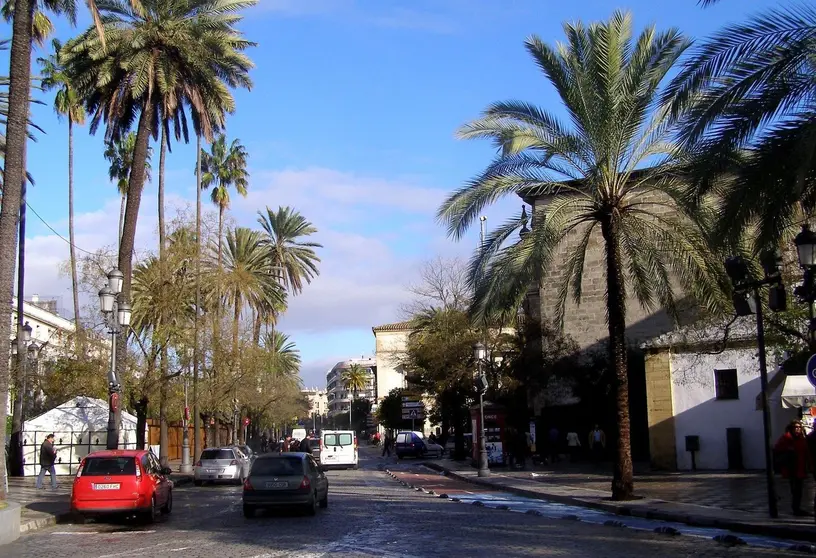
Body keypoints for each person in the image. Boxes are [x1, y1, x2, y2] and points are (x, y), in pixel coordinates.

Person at [774, 420, 812, 516]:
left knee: (799, 490)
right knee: (795, 490)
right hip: (792, 468)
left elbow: (806, 452)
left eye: (799, 427)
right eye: (796, 427)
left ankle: (797, 508)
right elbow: (777, 449)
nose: (798, 429)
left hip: (801, 467)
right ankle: (796, 509)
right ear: (791, 428)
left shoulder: (802, 439)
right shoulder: (786, 438)